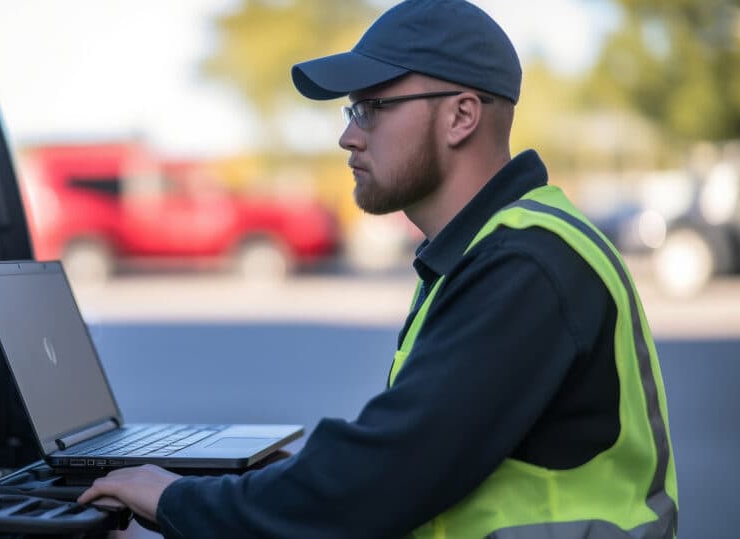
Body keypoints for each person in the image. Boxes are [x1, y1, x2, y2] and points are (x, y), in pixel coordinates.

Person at [79, 1, 679, 537]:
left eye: (371, 108)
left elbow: (382, 479)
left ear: (461, 116)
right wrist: (280, 486)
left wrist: (182, 500)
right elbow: (417, 460)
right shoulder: (487, 250)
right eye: (351, 109)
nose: (347, 136)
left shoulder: (527, 263)